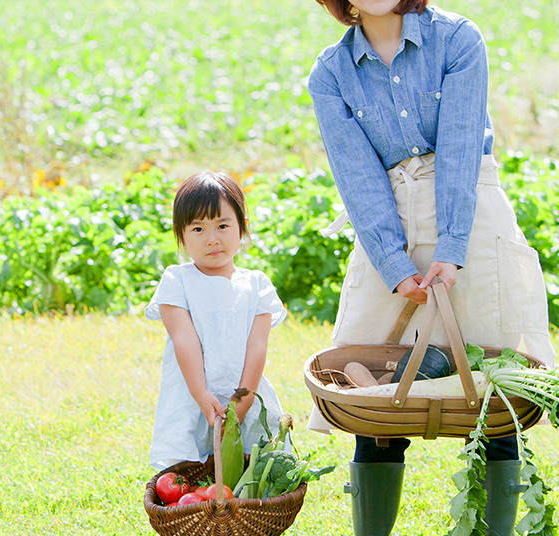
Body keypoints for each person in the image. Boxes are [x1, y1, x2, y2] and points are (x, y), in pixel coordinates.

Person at [306, 1, 556, 534]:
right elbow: (356, 176)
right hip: (388, 221)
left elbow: (463, 149)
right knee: (374, 404)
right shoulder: (332, 72)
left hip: (473, 214)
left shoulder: (458, 39)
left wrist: (452, 248)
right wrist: (394, 265)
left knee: (494, 396)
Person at [145, 170, 288, 470]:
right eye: (198, 229)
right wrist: (201, 394)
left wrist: (243, 402)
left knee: (252, 475)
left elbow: (257, 347)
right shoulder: (177, 281)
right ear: (180, 234)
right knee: (187, 477)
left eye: (223, 226)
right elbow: (184, 339)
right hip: (191, 393)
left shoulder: (257, 285)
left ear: (242, 227)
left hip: (245, 393)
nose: (212, 239)